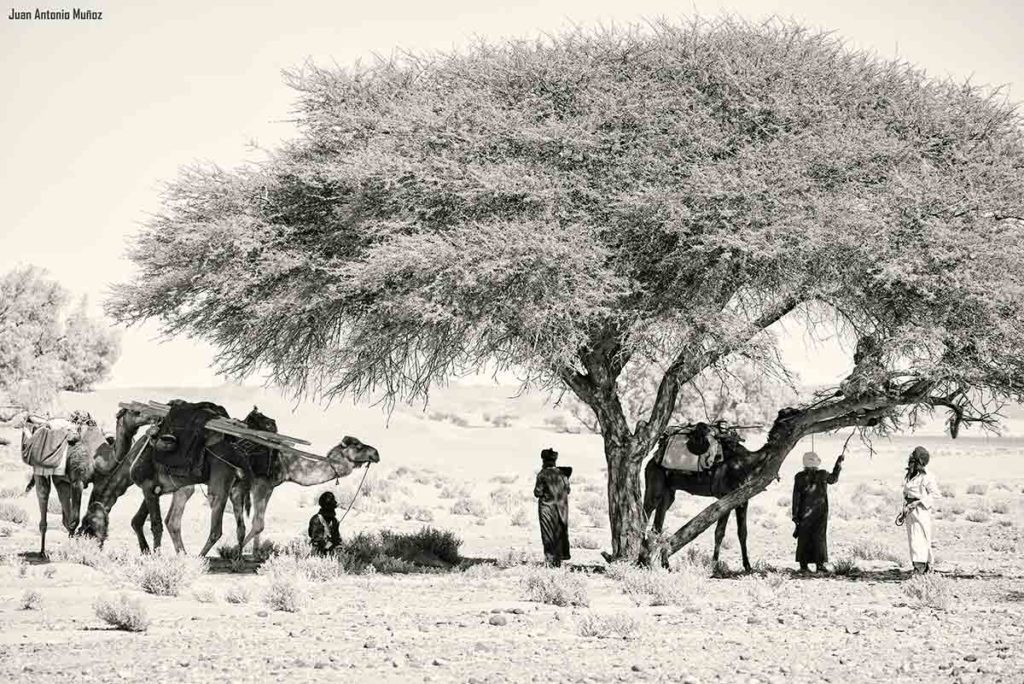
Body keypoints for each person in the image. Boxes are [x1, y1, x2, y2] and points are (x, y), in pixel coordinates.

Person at [791, 450, 844, 573]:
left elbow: (796, 497)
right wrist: (838, 463)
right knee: (819, 538)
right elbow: (834, 479)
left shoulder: (799, 477)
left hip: (804, 513)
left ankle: (803, 566)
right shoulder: (823, 474)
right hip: (820, 512)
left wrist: (795, 515)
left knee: (803, 538)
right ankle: (819, 565)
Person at [901, 446, 938, 573]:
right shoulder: (911, 475)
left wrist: (917, 502)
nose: (910, 459)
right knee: (913, 539)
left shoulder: (927, 477)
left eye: (913, 457)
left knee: (921, 538)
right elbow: (906, 493)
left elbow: (935, 495)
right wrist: (905, 508)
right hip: (910, 511)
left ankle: (922, 567)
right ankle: (918, 567)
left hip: (921, 511)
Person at [534, 448, 571, 567]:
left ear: (544, 460)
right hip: (561, 509)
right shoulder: (563, 474)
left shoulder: (542, 474)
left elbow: (537, 493)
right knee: (560, 533)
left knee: (548, 534)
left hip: (546, 509)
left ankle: (550, 560)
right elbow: (568, 490)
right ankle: (559, 560)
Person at [308, 491, 342, 556]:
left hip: (332, 554)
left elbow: (337, 539)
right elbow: (317, 540)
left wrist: (339, 548)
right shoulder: (316, 520)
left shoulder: (334, 521)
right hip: (318, 555)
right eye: (331, 508)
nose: (333, 510)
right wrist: (330, 545)